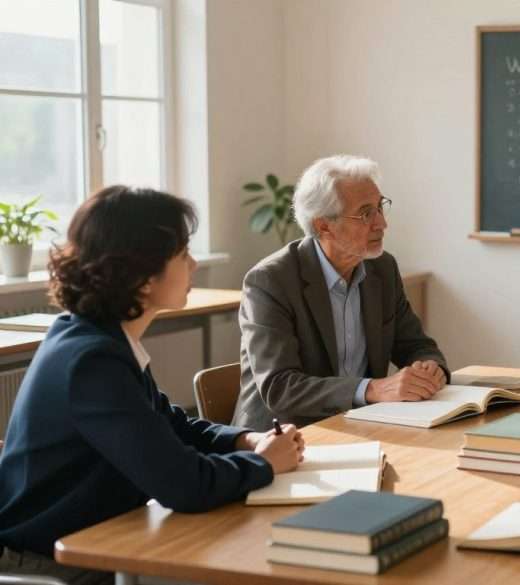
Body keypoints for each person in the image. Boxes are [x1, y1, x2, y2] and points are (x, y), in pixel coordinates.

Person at [0, 186, 304, 585]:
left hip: (94, 539)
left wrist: (244, 440)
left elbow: (171, 423)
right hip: (53, 564)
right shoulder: (92, 361)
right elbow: (184, 485)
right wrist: (265, 464)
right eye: (182, 254)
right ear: (142, 277)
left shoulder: (98, 338)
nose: (194, 264)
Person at [233, 154, 448, 430]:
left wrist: (429, 368)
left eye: (380, 208)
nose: (382, 224)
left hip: (359, 426)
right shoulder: (270, 281)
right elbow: (280, 387)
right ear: (324, 226)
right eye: (366, 213)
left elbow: (416, 345)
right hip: (285, 439)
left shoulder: (382, 269)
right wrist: (372, 389)